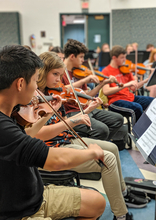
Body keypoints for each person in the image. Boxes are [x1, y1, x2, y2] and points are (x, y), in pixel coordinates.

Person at [36, 51, 149, 220]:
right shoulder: (35, 98)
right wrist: (74, 122)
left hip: (65, 138)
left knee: (112, 147)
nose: (59, 80)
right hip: (53, 148)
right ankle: (121, 214)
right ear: (43, 73)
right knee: (108, 158)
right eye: (55, 74)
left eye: (60, 75)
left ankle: (123, 192)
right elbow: (39, 135)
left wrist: (86, 111)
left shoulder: (52, 92)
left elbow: (62, 119)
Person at [0, 45, 107, 220]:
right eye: (35, 81)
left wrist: (48, 113)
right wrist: (92, 152)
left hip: (36, 196)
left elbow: (29, 134)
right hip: (18, 213)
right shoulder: (2, 126)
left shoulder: (10, 111)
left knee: (97, 202)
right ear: (20, 84)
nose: (37, 89)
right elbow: (55, 161)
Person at [62, 39, 124, 141]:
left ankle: (101, 144)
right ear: (72, 56)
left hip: (87, 108)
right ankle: (94, 148)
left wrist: (102, 84)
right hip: (71, 112)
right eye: (81, 57)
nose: (83, 60)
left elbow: (87, 95)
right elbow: (63, 90)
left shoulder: (79, 72)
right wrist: (85, 80)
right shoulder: (60, 72)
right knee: (102, 130)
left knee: (117, 119)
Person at [102, 45, 154, 126]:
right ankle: (137, 133)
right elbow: (106, 91)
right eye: (122, 57)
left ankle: (150, 129)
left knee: (153, 102)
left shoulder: (125, 69)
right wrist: (126, 85)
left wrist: (146, 80)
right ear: (114, 57)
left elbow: (133, 88)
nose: (125, 60)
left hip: (129, 97)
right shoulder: (106, 71)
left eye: (125, 57)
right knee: (137, 108)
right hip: (115, 101)